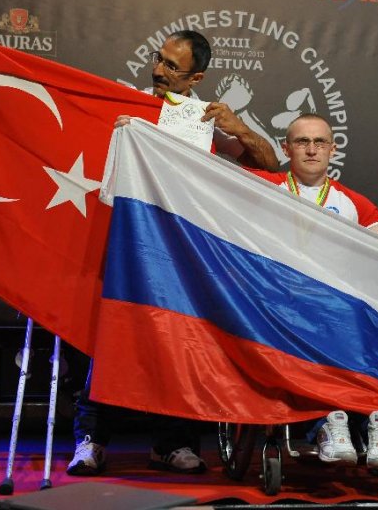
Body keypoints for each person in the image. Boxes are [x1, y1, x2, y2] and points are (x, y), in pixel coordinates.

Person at [68, 30, 279, 476]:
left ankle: (172, 444)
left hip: (178, 250)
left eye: (171, 67)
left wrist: (237, 127)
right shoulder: (127, 100)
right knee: (104, 336)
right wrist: (114, 125)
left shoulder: (205, 117)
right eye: (158, 60)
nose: (158, 71)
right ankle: (91, 440)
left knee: (178, 340)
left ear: (196, 76)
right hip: (124, 239)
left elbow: (269, 163)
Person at [249, 113, 378, 469]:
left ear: (333, 149)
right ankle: (327, 423)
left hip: (338, 309)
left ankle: (375, 422)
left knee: (376, 329)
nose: (311, 149)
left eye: (319, 142)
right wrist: (144, 135)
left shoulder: (354, 203)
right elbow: (197, 170)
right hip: (279, 306)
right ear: (286, 148)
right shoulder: (262, 186)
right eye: (302, 142)